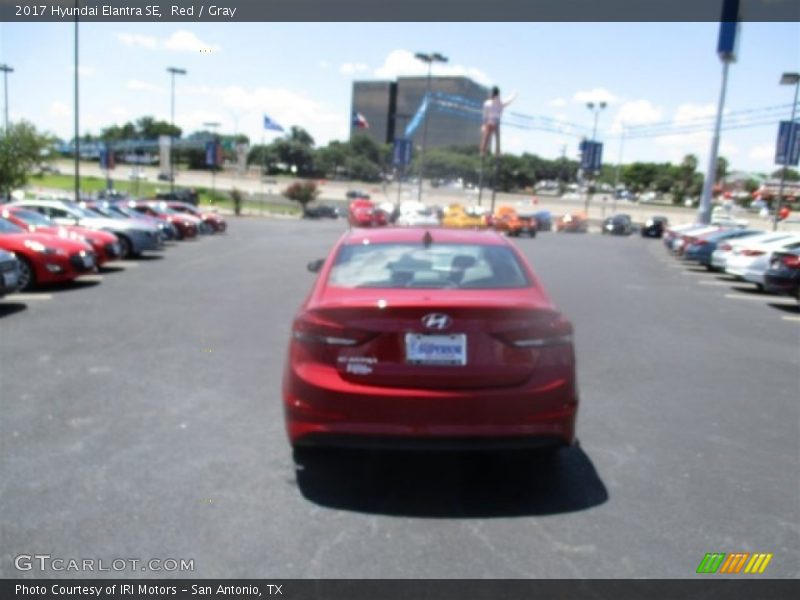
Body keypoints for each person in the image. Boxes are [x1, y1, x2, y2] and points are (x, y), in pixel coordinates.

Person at [480, 87, 517, 156]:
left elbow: (485, 115)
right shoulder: (496, 103)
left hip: (492, 122)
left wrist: (484, 124)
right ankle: (495, 152)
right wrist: (514, 94)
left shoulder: (489, 103)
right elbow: (509, 100)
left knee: (488, 137)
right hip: (494, 122)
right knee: (495, 138)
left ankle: (484, 152)